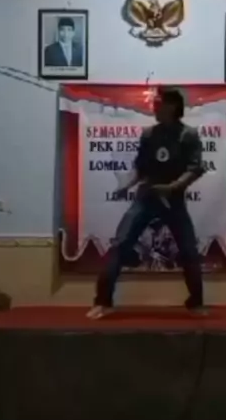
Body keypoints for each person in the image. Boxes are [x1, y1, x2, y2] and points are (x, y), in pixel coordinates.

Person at [88, 87, 206, 319]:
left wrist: (172, 187)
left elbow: (195, 169)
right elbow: (140, 168)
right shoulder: (149, 134)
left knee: (188, 251)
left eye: (158, 103)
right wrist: (127, 185)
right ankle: (103, 302)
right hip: (147, 197)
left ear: (172, 106)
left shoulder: (188, 135)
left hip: (173, 199)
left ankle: (196, 303)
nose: (154, 107)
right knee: (120, 245)